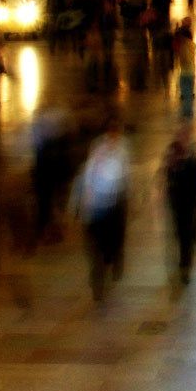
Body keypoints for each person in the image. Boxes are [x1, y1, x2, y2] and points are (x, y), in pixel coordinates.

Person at [70, 118, 130, 302]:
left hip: (112, 206)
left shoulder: (121, 149)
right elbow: (81, 185)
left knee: (110, 241)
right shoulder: (94, 158)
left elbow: (123, 177)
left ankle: (112, 258)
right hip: (95, 212)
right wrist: (76, 208)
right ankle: (98, 278)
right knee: (94, 248)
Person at [162, 125, 196, 285]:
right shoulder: (172, 153)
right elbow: (166, 174)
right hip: (176, 202)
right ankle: (186, 255)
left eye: (185, 137)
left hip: (190, 202)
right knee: (180, 233)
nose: (183, 140)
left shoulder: (194, 155)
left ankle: (185, 265)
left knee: (186, 235)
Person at [173, 18, 196, 117]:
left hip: (185, 73)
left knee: (186, 94)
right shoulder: (193, 46)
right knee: (189, 94)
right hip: (191, 72)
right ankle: (189, 111)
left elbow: (182, 57)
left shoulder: (183, 48)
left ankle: (186, 112)